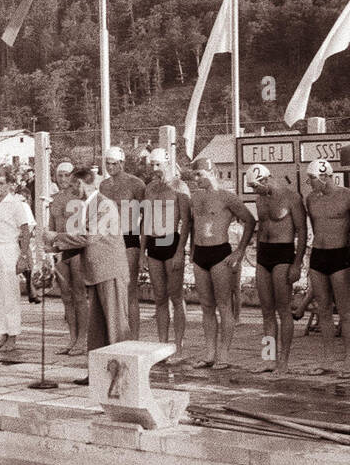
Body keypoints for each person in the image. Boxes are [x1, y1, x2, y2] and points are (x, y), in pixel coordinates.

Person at [48, 166, 131, 383]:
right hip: (95, 273)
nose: (72, 188)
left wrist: (57, 236)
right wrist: (56, 248)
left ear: (83, 183)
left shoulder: (104, 204)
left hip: (110, 270)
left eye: (75, 183)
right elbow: (82, 241)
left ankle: (122, 375)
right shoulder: (88, 205)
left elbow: (89, 237)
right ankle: (97, 373)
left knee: (115, 325)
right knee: (97, 328)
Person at [187, 156, 256, 369]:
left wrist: (240, 251)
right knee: (206, 307)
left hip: (220, 254)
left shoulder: (227, 197)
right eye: (194, 175)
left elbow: (250, 221)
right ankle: (209, 352)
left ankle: (224, 353)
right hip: (200, 255)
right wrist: (191, 250)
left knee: (224, 305)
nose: (196, 179)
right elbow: (193, 224)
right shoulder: (195, 199)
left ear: (211, 172)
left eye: (200, 174)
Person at [304, 158, 350, 378]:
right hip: (318, 256)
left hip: (339, 256)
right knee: (323, 310)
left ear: (325, 176)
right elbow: (316, 227)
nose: (309, 183)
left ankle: (349, 361)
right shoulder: (311, 199)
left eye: (311, 179)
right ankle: (327, 359)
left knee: (346, 311)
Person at [247, 163, 307, 374]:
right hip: (263, 254)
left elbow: (302, 231)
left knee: (283, 310)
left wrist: (297, 263)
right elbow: (262, 227)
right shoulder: (260, 198)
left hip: (283, 253)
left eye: (256, 186)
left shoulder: (291, 197)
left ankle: (284, 361)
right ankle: (269, 359)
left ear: (265, 179)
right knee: (266, 312)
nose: (255, 191)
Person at [140, 149, 190, 362]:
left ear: (168, 164)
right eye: (152, 165)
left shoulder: (179, 187)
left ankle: (178, 347)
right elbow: (145, 220)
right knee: (159, 298)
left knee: (176, 297)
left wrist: (181, 251)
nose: (155, 170)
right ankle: (162, 346)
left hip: (171, 241)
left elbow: (187, 222)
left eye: (158, 165)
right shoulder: (150, 188)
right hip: (153, 242)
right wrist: (142, 251)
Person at [0, 169, 35, 353]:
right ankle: (2, 334)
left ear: (9, 185)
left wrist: (23, 256)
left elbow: (26, 230)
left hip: (9, 249)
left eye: (1, 183)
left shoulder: (16, 204)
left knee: (10, 295)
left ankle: (13, 335)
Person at [100, 145, 146, 339]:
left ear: (122, 163)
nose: (110, 167)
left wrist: (143, 248)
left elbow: (147, 215)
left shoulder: (136, 184)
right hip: (108, 239)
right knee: (111, 290)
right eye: (107, 164)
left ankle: (133, 337)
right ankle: (116, 335)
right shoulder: (103, 186)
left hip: (129, 236)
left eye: (114, 164)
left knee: (129, 291)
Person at [48, 161, 89, 355]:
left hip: (77, 249)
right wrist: (49, 248)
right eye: (60, 175)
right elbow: (52, 226)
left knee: (79, 295)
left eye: (66, 175)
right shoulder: (54, 199)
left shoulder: (79, 198)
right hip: (61, 249)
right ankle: (72, 337)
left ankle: (83, 338)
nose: (63, 179)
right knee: (66, 296)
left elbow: (84, 229)